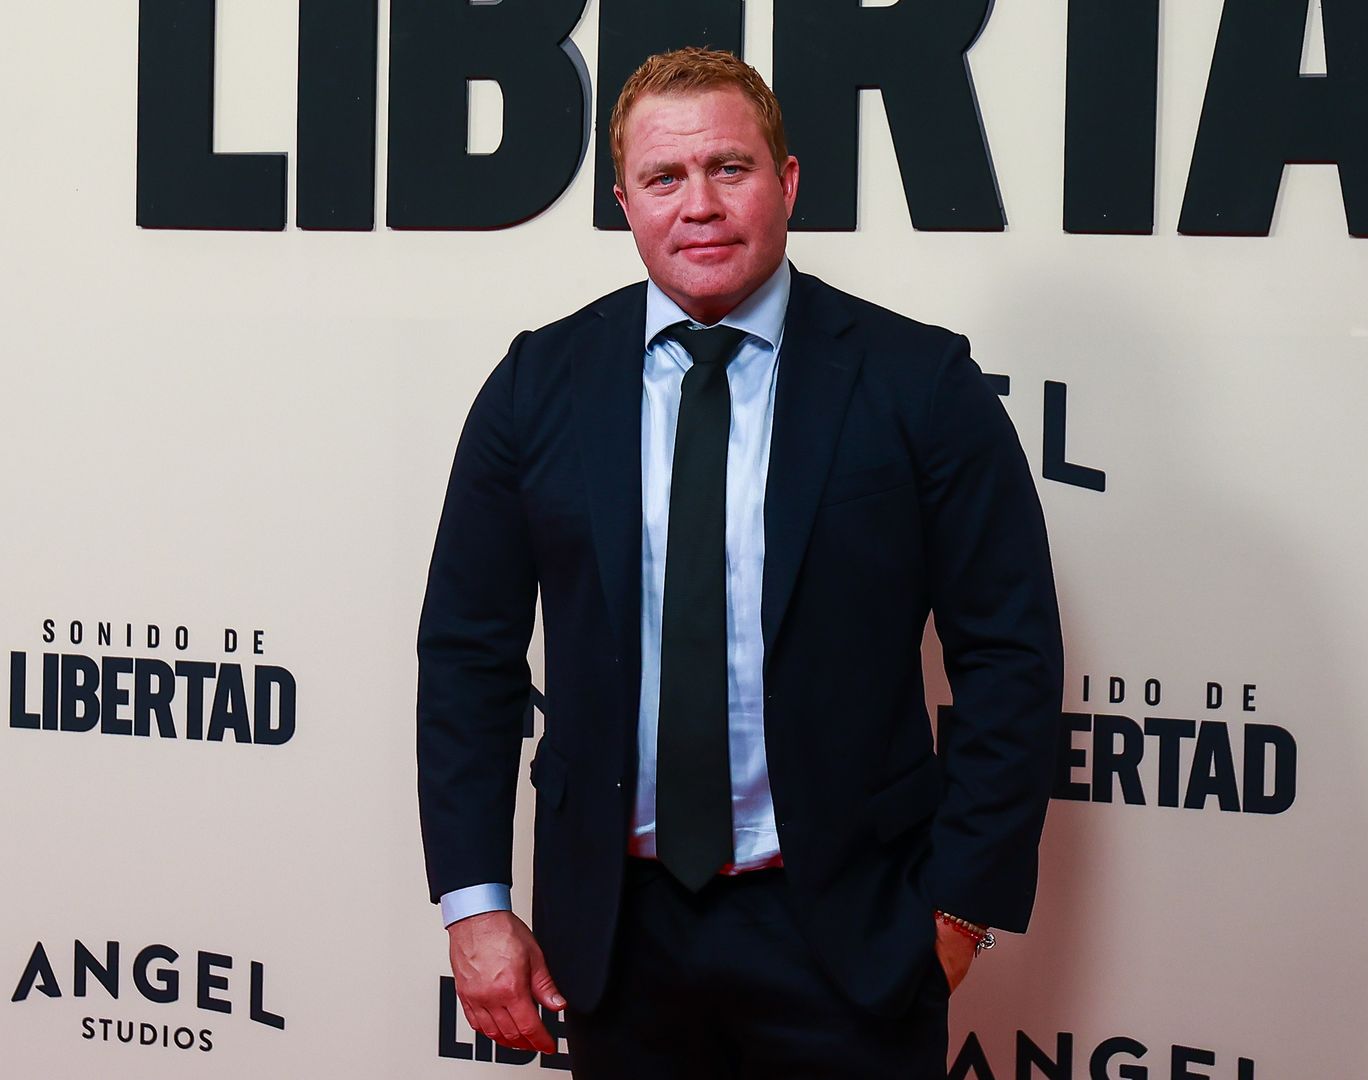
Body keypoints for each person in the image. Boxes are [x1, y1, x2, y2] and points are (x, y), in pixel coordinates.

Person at [415, 46, 1063, 1078]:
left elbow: (1011, 657)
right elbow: (465, 656)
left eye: (730, 168)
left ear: (789, 182)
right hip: (616, 942)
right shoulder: (538, 385)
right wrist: (476, 905)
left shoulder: (918, 383)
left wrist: (957, 917)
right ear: (624, 201)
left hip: (852, 936)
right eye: (666, 178)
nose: (700, 205)